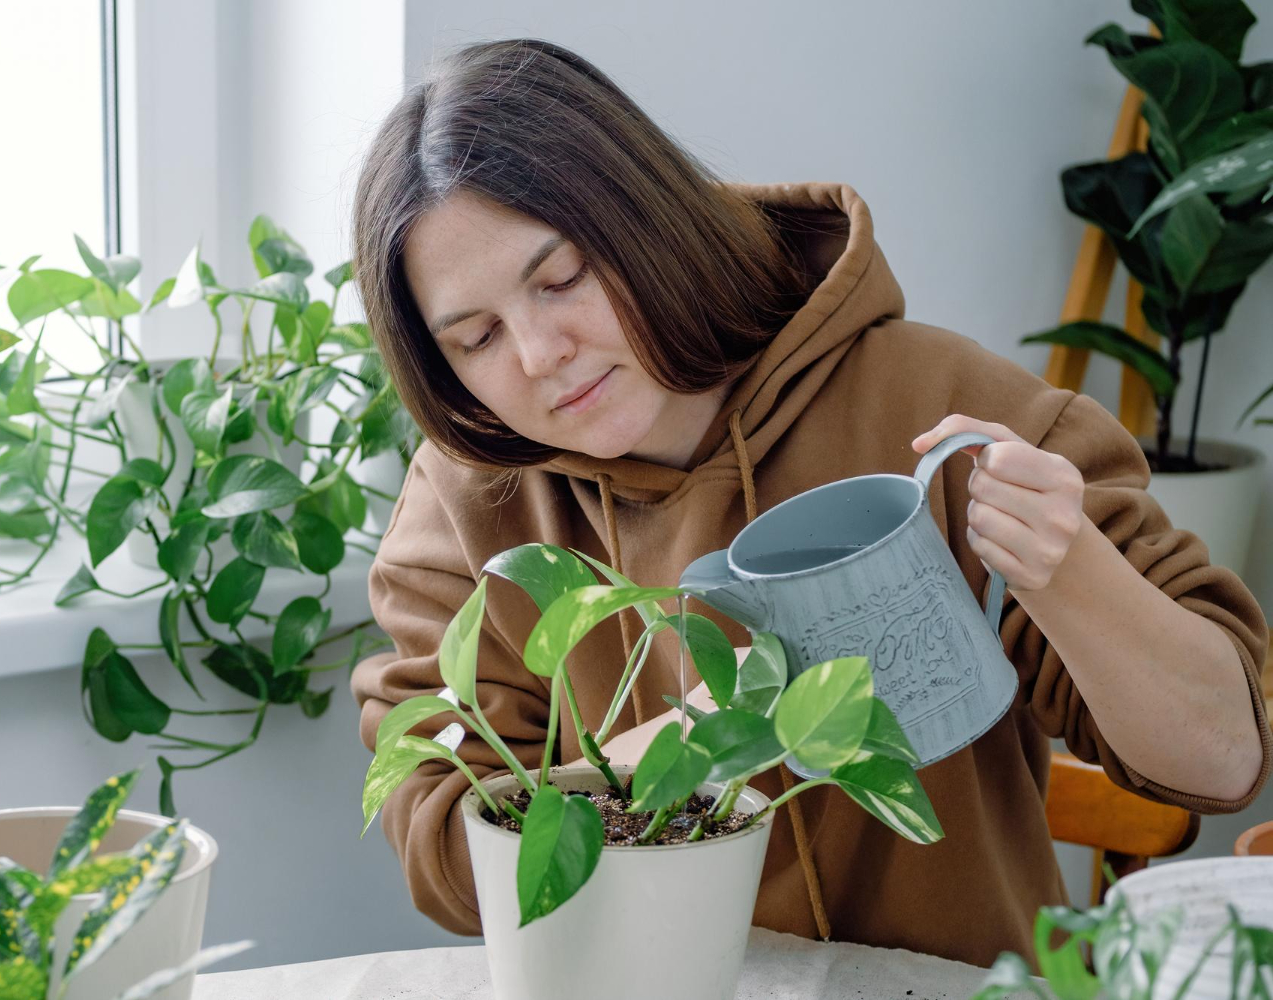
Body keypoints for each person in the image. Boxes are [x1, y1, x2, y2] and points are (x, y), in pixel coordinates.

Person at [346, 37, 1270, 967]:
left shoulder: (942, 413)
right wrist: (704, 740)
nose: (540, 353)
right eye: (475, 338)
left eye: (563, 280)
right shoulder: (466, 510)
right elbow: (450, 866)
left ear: (642, 222)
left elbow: (1222, 759)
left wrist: (1070, 571)